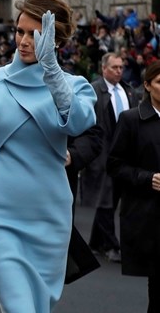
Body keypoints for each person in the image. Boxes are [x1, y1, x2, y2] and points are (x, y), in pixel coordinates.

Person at [0, 0, 97, 312]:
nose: (25, 41)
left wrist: (52, 72)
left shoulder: (75, 85)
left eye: (36, 34)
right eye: (20, 32)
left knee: (39, 307)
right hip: (0, 215)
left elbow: (80, 122)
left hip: (50, 214)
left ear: (55, 39)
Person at [108, 61, 160, 313]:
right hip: (149, 216)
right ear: (148, 86)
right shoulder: (131, 120)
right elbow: (115, 165)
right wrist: (147, 178)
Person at [81, 52, 140, 263]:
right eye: (114, 67)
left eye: (121, 67)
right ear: (104, 68)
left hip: (123, 154)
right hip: (102, 153)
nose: (119, 71)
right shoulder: (94, 90)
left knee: (112, 200)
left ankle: (96, 242)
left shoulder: (128, 91)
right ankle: (111, 245)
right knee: (105, 201)